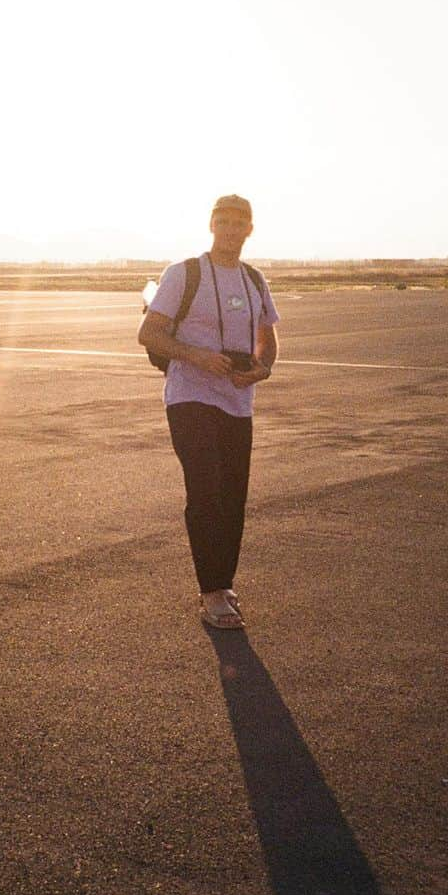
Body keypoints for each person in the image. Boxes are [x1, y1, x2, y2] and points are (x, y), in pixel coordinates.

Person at [137, 194, 280, 629]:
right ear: (211, 225)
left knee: (233, 495)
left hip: (237, 400)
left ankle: (223, 583)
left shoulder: (254, 280)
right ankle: (212, 591)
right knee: (206, 488)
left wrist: (261, 370)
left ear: (249, 230)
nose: (230, 229)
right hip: (190, 395)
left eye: (239, 223)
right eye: (223, 221)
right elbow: (149, 333)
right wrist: (196, 356)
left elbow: (268, 339)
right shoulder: (184, 274)